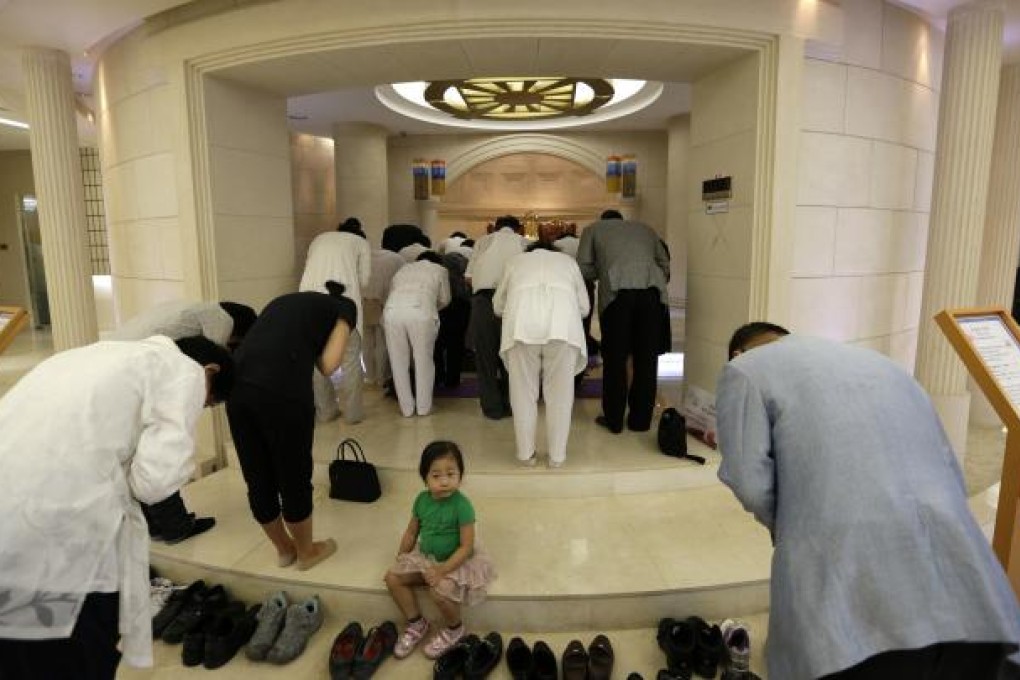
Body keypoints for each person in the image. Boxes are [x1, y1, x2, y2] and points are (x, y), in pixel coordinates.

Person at [716, 322, 1020, 680]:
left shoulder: (745, 369)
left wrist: (793, 525)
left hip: (860, 601)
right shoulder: (883, 365)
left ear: (740, 352)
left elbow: (748, 481)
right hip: (968, 589)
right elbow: (948, 465)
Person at [0, 335, 234, 678]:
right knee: (71, 649)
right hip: (59, 521)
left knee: (15, 641)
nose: (198, 410)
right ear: (210, 371)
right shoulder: (185, 371)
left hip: (13, 504)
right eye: (207, 403)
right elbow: (154, 483)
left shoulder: (93, 353)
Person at [225, 283, 356, 572]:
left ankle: (284, 550)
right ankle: (307, 552)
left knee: (257, 475)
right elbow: (328, 365)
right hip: (281, 391)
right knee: (293, 475)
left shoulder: (284, 300)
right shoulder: (344, 308)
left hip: (237, 387)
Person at [110, 299, 257, 544]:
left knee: (142, 454)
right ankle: (174, 526)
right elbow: (215, 363)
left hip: (122, 368)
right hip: (136, 374)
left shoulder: (187, 308)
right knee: (160, 455)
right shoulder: (221, 319)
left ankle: (157, 524)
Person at [384, 441, 496, 661]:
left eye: (451, 474)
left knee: (438, 592)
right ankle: (416, 623)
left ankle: (455, 629)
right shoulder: (421, 500)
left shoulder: (462, 506)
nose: (444, 481)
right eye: (436, 476)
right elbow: (411, 532)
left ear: (460, 476)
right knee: (392, 578)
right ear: (425, 477)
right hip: (426, 558)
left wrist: (442, 570)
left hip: (456, 563)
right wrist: (402, 555)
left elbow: (466, 547)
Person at [494, 242, 589, 467]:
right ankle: (557, 457)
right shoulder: (568, 262)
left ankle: (526, 454)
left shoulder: (515, 262)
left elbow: (497, 306)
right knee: (561, 395)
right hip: (563, 327)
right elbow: (584, 308)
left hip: (521, 327)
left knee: (522, 393)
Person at [576, 209, 669, 433]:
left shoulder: (593, 230)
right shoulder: (645, 228)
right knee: (646, 358)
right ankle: (641, 421)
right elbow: (664, 263)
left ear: (603, 220)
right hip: (653, 294)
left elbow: (583, 268)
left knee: (615, 358)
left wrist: (606, 269)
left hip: (618, 294)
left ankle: (614, 419)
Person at [299, 217, 371, 424]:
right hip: (342, 305)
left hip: (309, 304)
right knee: (350, 361)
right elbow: (364, 280)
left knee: (317, 360)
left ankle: (326, 411)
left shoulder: (318, 239)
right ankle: (353, 415)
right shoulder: (360, 243)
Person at [465, 214, 528, 419]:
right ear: (519, 229)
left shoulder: (483, 241)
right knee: (513, 355)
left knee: (485, 357)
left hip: (484, 301)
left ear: (494, 228)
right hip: (515, 302)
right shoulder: (524, 243)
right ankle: (513, 404)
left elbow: (469, 277)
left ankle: (492, 408)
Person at [383, 251, 451, 417]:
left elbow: (391, 290)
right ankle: (423, 408)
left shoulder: (403, 270)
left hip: (392, 312)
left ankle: (406, 409)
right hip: (421, 312)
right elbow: (445, 299)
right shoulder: (440, 270)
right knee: (423, 360)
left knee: (398, 362)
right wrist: (432, 305)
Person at [110, 300, 257, 351]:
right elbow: (217, 363)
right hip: (130, 355)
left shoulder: (197, 308)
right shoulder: (223, 320)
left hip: (113, 346)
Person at [362, 245, 406, 386]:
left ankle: (370, 376)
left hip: (364, 301)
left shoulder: (365, 257)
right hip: (386, 302)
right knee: (382, 341)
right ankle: (381, 376)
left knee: (367, 342)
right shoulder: (396, 258)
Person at [434, 250, 472, 388]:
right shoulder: (464, 283)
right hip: (461, 311)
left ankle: (438, 376)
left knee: (437, 345)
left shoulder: (440, 277)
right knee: (456, 346)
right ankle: (453, 379)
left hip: (442, 312)